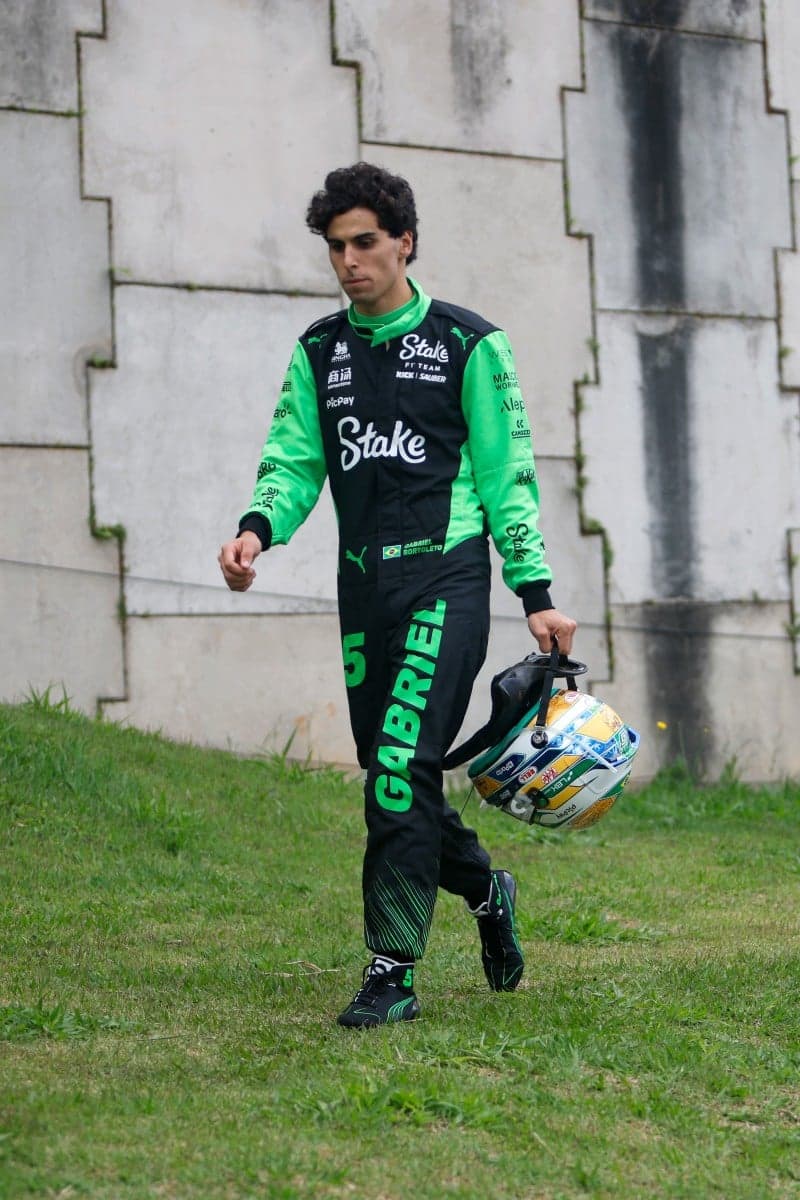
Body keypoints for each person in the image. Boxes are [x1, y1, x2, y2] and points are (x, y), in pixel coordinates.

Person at [218, 162, 577, 1028]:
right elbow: (294, 459)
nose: (349, 262)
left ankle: (392, 972)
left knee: (401, 765)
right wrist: (256, 530)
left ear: (405, 242)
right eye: (336, 247)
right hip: (362, 585)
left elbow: (508, 478)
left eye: (365, 243)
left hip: (446, 576)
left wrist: (534, 590)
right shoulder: (319, 351)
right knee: (393, 771)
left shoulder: (470, 344)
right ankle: (486, 890)